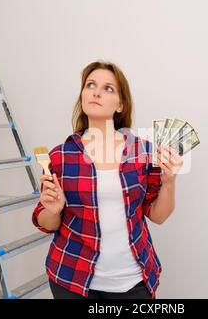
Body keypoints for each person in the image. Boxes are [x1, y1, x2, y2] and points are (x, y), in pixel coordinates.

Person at [32, 60, 183, 299]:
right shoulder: (59, 156)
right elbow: (46, 222)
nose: (96, 92)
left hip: (134, 281)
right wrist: (52, 210)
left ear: (120, 105)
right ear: (82, 95)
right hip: (71, 279)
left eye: (108, 88)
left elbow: (158, 216)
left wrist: (170, 182)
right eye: (90, 85)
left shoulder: (143, 152)